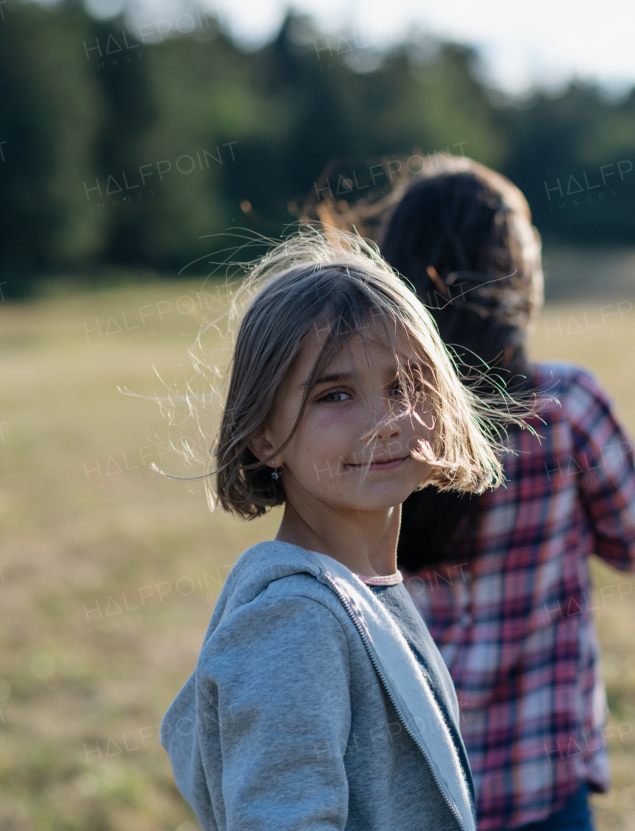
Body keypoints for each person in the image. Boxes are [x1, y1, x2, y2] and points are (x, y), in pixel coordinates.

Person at [160, 231, 510, 830]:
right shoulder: (296, 622)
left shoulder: (364, 589)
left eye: (405, 386)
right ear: (263, 433)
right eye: (336, 394)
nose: (385, 421)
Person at [375, 156, 635, 831]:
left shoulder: (373, 422)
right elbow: (633, 544)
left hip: (417, 785)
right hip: (543, 782)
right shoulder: (567, 407)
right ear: (520, 277)